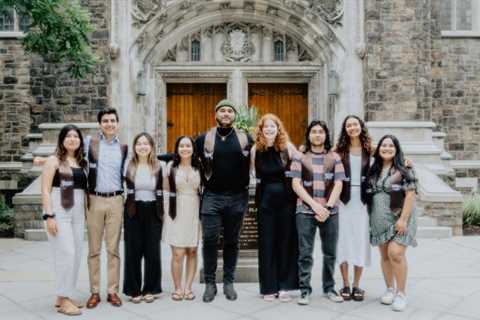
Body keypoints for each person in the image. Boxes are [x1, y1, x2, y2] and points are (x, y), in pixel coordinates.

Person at [195, 99, 253, 303]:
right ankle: (210, 283)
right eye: (222, 110)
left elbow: (261, 157)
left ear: (234, 115)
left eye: (230, 111)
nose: (226, 113)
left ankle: (229, 281)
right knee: (210, 240)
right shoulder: (204, 139)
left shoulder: (245, 138)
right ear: (216, 114)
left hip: (238, 196)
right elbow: (188, 158)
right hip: (212, 196)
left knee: (232, 241)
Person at [291, 120, 345, 306]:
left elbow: (339, 183)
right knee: (305, 253)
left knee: (330, 253)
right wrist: (315, 206)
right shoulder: (299, 157)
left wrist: (327, 208)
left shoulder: (335, 157)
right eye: (314, 131)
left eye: (321, 131)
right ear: (309, 135)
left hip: (331, 212)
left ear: (325, 135)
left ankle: (329, 287)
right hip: (305, 211)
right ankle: (304, 290)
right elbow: (295, 184)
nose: (317, 135)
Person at [366, 134, 417, 312]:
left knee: (395, 253)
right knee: (385, 256)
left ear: (397, 149)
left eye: (390, 146)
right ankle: (389, 289)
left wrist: (403, 219)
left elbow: (411, 194)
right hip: (379, 219)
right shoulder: (373, 170)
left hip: (400, 218)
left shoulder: (404, 169)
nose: (386, 148)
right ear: (378, 149)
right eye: (383, 146)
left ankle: (401, 294)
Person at [251, 114, 299, 302]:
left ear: (278, 128)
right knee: (267, 244)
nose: (269, 129)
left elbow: (302, 164)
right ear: (261, 130)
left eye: (273, 126)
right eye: (266, 127)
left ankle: (285, 286)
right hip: (265, 202)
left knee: (285, 241)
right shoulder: (256, 149)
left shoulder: (287, 147)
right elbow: (252, 173)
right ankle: (269, 287)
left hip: (287, 201)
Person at [41, 124, 88, 316]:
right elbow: (45, 190)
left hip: (78, 213)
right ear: (62, 140)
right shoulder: (53, 160)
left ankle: (63, 296)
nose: (72, 139)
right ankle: (64, 299)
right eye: (68, 136)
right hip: (59, 210)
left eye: (76, 137)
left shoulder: (80, 162)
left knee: (76, 255)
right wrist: (49, 215)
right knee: (66, 254)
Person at [85, 108, 128, 308]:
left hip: (116, 200)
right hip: (94, 199)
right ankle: (94, 291)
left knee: (113, 249)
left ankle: (112, 291)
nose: (109, 124)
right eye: (105, 120)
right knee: (94, 249)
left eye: (112, 120)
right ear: (100, 124)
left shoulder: (124, 147)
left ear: (117, 123)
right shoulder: (90, 143)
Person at [123, 132, 164, 303]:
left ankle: (150, 288)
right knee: (133, 251)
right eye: (139, 143)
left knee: (152, 251)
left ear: (152, 147)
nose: (142, 146)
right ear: (134, 147)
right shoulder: (128, 165)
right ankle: (133, 290)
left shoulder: (159, 165)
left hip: (153, 210)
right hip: (133, 209)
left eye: (146, 143)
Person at [334, 115, 372, 302]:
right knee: (343, 240)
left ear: (360, 127)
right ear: (345, 129)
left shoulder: (370, 150)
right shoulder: (339, 151)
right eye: (348, 125)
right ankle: (345, 284)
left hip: (363, 201)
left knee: (360, 240)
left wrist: (406, 163)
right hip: (343, 201)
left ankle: (357, 285)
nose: (352, 128)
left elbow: (390, 159)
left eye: (355, 124)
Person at [163, 136, 202, 301]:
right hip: (176, 209)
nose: (185, 149)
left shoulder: (199, 166)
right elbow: (165, 190)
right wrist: (167, 215)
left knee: (192, 251)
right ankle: (178, 288)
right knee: (178, 253)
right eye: (181, 146)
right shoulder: (170, 167)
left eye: (188, 146)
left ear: (193, 148)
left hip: (194, 208)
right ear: (177, 149)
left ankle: (188, 287)